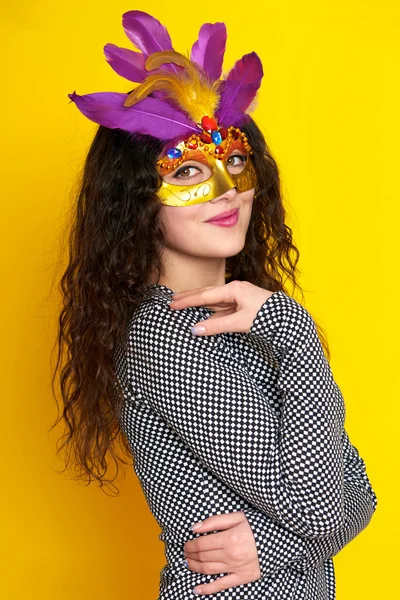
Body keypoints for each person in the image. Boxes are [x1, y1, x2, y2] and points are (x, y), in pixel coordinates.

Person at [55, 9, 378, 600]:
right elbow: (332, 507)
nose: (227, 190)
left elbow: (358, 495)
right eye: (189, 172)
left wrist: (290, 534)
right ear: (137, 201)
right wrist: (295, 331)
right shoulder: (171, 337)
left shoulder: (238, 317)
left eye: (233, 161)